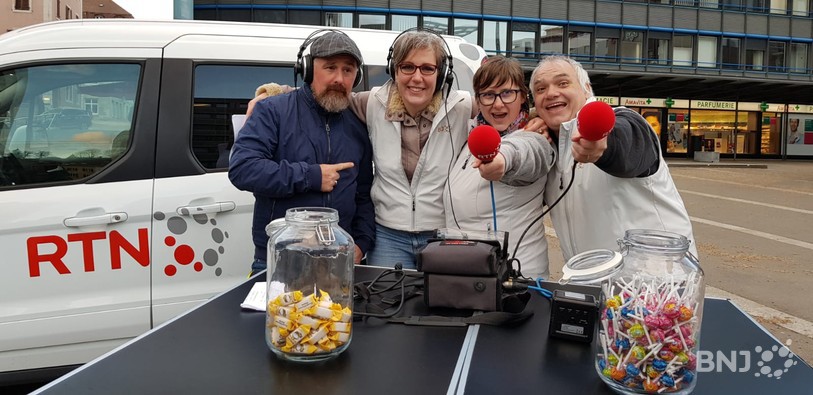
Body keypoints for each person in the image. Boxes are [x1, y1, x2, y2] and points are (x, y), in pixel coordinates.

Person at [229, 31, 375, 274]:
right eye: (330, 67)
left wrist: (362, 242)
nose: (339, 78)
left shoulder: (358, 124)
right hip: (281, 260)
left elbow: (363, 194)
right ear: (307, 70)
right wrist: (311, 176)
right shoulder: (272, 111)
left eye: (348, 70)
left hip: (337, 263)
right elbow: (243, 169)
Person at [528, 55, 697, 261]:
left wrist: (602, 143)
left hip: (655, 282)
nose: (551, 93)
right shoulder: (551, 149)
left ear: (586, 88)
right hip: (590, 282)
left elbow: (627, 140)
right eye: (540, 89)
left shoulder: (626, 120)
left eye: (563, 83)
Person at [345, 30, 477, 269]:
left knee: (439, 306)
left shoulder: (463, 107)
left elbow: (503, 111)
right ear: (394, 70)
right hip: (388, 236)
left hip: (442, 236)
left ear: (442, 73)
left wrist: (532, 120)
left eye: (427, 68)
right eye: (407, 67)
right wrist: (270, 96)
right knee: (386, 303)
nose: (417, 77)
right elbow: (325, 97)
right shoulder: (374, 102)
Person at [445, 56, 555, 279]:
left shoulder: (536, 137)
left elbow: (527, 152)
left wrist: (502, 161)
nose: (497, 103)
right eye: (488, 95)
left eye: (507, 93)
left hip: (515, 277)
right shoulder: (472, 136)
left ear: (522, 96)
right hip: (470, 271)